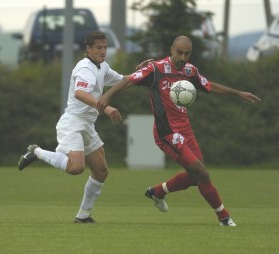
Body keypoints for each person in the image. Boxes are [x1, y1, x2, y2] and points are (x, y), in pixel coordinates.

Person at [97, 35, 261, 226]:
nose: (183, 57)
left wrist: (238, 93)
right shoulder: (155, 69)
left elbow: (209, 85)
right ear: (172, 50)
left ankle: (156, 192)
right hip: (167, 133)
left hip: (186, 131)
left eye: (187, 53)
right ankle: (224, 217)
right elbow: (128, 80)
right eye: (180, 53)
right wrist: (107, 95)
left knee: (195, 177)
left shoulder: (190, 71)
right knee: (202, 173)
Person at [17, 31, 147, 223]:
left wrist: (140, 73)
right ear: (88, 48)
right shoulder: (85, 68)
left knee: (101, 171)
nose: (103, 51)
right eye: (98, 48)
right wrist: (106, 107)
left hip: (87, 124)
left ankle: (83, 216)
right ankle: (37, 152)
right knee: (76, 168)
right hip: (72, 122)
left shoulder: (102, 66)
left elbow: (122, 81)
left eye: (105, 47)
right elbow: (80, 93)